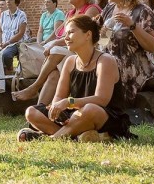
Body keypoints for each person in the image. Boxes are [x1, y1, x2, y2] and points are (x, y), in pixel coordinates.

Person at [18, 15, 132, 143]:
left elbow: (101, 100)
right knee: (31, 112)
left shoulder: (105, 61)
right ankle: (75, 136)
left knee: (89, 109)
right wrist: (56, 110)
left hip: (104, 116)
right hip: (75, 115)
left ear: (88, 35)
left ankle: (51, 140)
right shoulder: (70, 61)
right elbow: (59, 97)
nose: (66, 38)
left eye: (71, 32)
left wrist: (69, 102)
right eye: (65, 33)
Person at [12, 0, 102, 104]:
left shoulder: (91, 9)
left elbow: (78, 37)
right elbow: (58, 34)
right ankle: (40, 110)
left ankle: (34, 87)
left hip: (83, 53)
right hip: (68, 52)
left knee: (55, 50)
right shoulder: (70, 13)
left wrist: (54, 43)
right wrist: (45, 43)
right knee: (53, 74)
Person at [100, 0, 154, 105]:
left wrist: (132, 25)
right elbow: (102, 42)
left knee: (108, 68)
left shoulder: (142, 11)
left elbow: (153, 46)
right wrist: (103, 32)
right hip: (109, 61)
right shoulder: (109, 9)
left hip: (135, 64)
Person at [0, 0, 29, 74]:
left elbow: (21, 33)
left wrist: (8, 43)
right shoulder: (3, 15)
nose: (8, 1)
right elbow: (0, 30)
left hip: (16, 43)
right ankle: (1, 73)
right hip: (4, 43)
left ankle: (10, 70)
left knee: (6, 55)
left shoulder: (21, 15)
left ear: (16, 2)